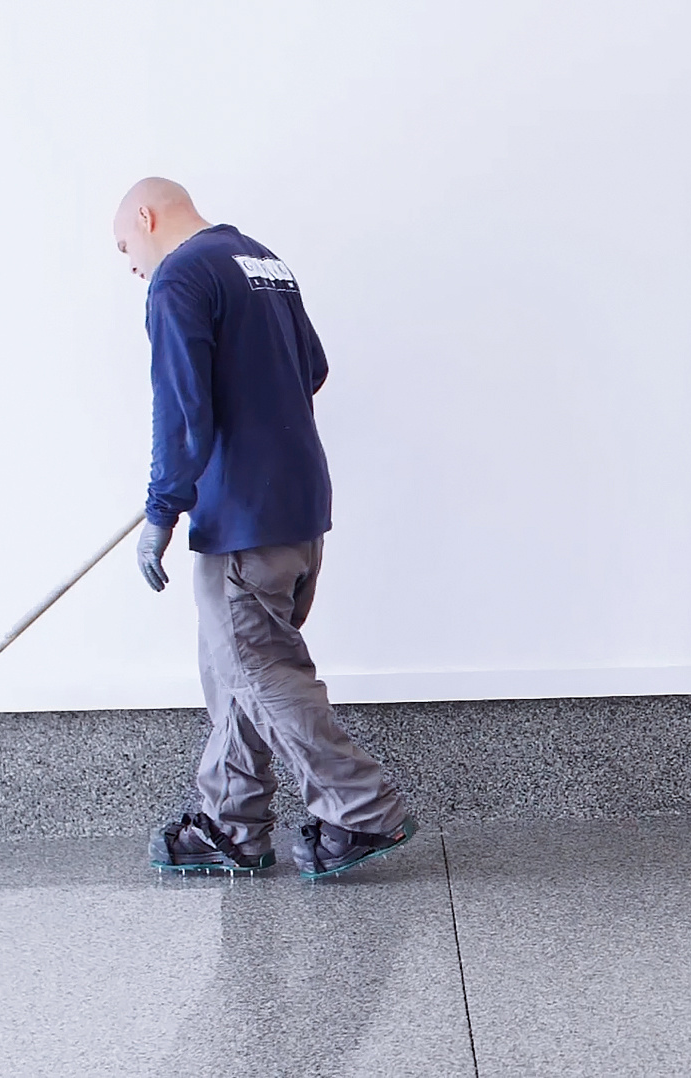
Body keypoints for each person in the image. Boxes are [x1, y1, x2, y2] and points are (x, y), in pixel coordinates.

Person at [112, 177, 416, 879]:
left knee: (264, 671)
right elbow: (311, 368)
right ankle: (231, 825)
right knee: (237, 672)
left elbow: (182, 410)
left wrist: (162, 510)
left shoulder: (178, 278)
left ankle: (363, 812)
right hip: (298, 506)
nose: (127, 262)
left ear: (146, 217)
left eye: (123, 244)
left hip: (242, 520)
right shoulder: (261, 261)